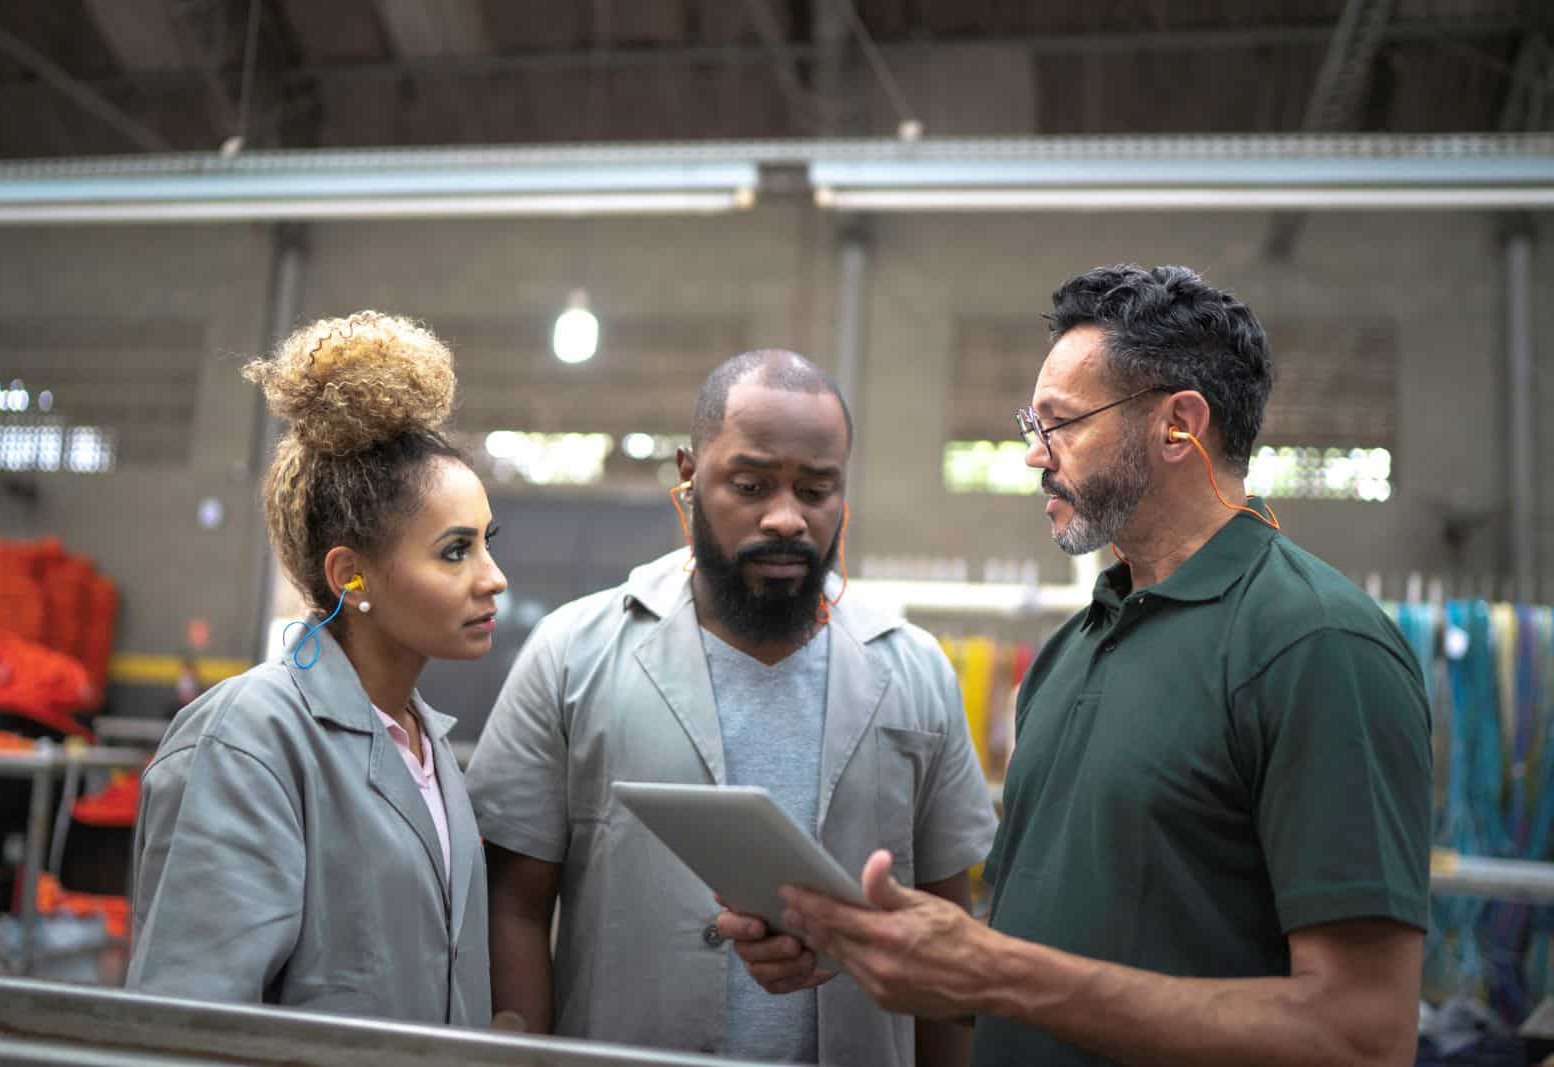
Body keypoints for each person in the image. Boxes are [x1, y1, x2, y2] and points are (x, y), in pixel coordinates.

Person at [776, 266, 1433, 1067]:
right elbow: (1052, 962)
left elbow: (1363, 1032)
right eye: (1033, 424)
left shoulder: (1316, 646)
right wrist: (877, 948)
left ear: (1178, 427)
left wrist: (998, 970)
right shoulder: (1071, 651)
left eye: (1060, 423)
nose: (1033, 457)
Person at [466, 349, 997, 1065]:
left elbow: (945, 933)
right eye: (750, 484)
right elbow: (516, 906)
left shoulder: (914, 670)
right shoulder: (574, 654)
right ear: (689, 476)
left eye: (816, 490)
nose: (785, 518)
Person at [127, 311, 507, 1026]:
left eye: (487, 542)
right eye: (456, 550)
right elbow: (187, 1024)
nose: (494, 578)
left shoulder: (427, 747)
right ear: (351, 577)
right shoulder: (249, 741)